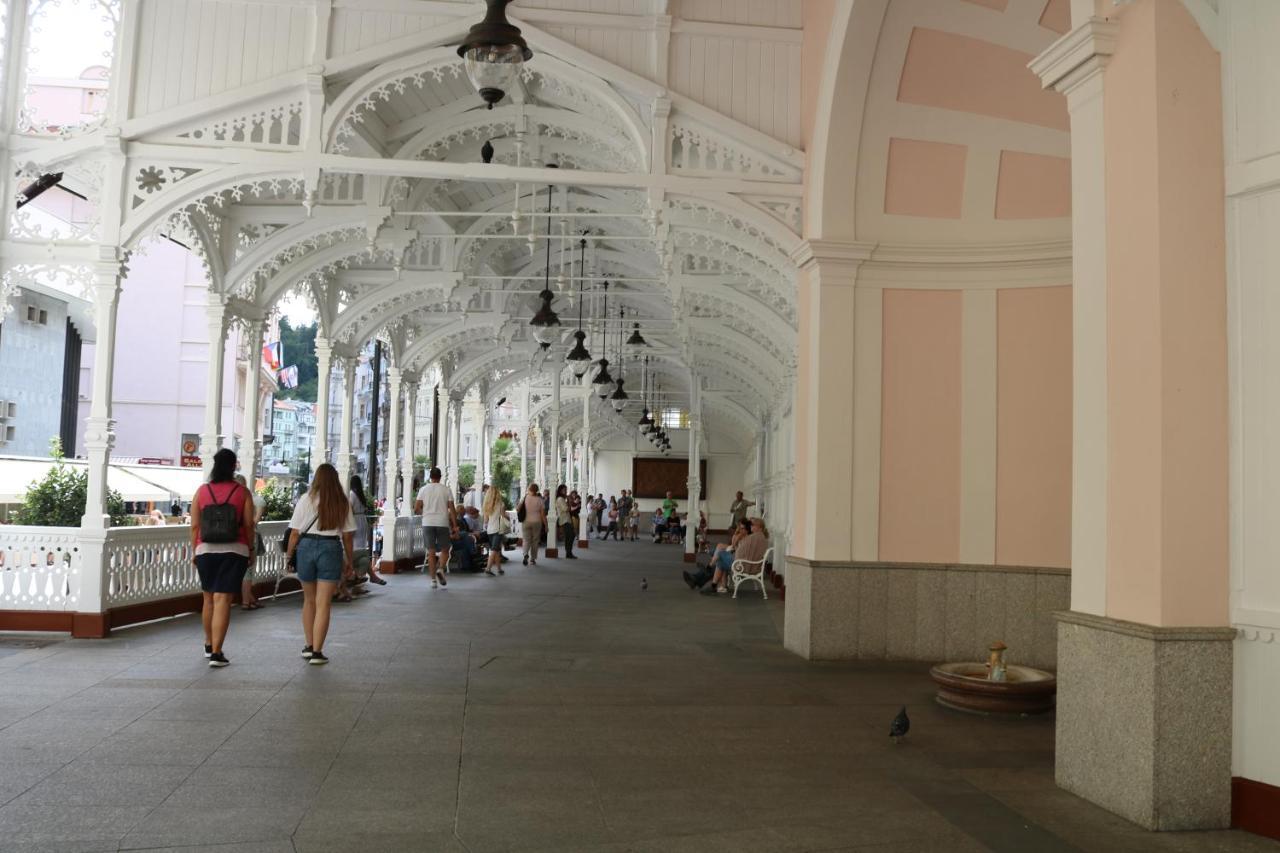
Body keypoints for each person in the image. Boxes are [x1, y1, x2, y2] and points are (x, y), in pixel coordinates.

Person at [190, 448, 256, 668]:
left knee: (208, 598)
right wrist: (251, 549)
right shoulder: (242, 492)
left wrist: (194, 550)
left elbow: (195, 526)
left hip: (205, 550)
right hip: (234, 550)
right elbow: (248, 525)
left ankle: (209, 644)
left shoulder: (202, 491)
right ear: (233, 465)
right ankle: (218, 653)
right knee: (223, 600)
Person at [284, 463, 356, 664]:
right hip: (330, 547)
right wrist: (349, 561)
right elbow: (348, 536)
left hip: (306, 547)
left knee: (309, 600)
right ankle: (317, 651)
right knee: (324, 603)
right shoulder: (342, 501)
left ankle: (308, 645)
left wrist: (289, 556)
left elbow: (295, 533)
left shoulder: (306, 499)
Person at [703, 517, 769, 595]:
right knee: (721, 558)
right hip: (749, 564)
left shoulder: (754, 538)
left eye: (753, 525)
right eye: (751, 525)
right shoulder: (759, 537)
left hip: (745, 565)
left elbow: (741, 550)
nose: (751, 526)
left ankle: (712, 576)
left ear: (760, 528)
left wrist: (736, 551)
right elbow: (743, 550)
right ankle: (715, 585)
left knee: (720, 554)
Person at [414, 467, 456, 589]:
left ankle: (433, 580)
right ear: (440, 477)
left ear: (430, 477)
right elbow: (452, 509)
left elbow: (416, 508)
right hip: (442, 522)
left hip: (427, 522)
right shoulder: (446, 490)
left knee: (431, 552)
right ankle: (441, 569)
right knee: (445, 550)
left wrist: (425, 513)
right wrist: (455, 525)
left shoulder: (423, 489)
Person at [685, 519, 749, 591]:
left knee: (718, 557)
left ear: (747, 529)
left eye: (742, 528)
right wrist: (736, 534)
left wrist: (737, 537)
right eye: (739, 527)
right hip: (734, 556)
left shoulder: (747, 538)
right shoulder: (743, 536)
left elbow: (735, 547)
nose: (740, 530)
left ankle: (699, 577)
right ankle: (699, 578)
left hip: (737, 561)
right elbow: (733, 545)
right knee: (717, 555)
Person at [233, 475, 264, 611]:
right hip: (249, 537)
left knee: (243, 572)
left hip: (235, 539)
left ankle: (248, 600)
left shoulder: (234, 498)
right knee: (248, 571)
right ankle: (248, 600)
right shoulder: (251, 498)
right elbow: (254, 521)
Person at [349, 474, 385, 586]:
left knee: (355, 548)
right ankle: (364, 576)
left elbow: (349, 508)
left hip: (354, 520)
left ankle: (358, 576)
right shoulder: (360, 495)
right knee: (361, 547)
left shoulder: (352, 494)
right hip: (362, 520)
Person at [482, 485, 507, 577]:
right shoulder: (501, 504)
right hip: (498, 529)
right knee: (494, 549)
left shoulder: (486, 504)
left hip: (490, 530)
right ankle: (488, 568)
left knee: (496, 549)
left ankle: (499, 569)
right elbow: (503, 516)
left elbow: (485, 520)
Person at [518, 484, 545, 565]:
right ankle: (532, 559)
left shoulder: (525, 498)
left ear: (529, 489)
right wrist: (546, 525)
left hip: (526, 521)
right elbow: (543, 515)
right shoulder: (540, 500)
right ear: (537, 490)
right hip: (537, 522)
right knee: (535, 541)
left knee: (526, 539)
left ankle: (525, 554)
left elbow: (517, 508)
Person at [555, 485, 576, 559]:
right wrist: (569, 502)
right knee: (570, 536)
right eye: (564, 490)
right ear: (560, 491)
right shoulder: (560, 499)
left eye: (566, 490)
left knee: (570, 536)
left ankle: (568, 552)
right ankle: (568, 552)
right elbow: (566, 509)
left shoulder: (562, 499)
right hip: (564, 520)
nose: (566, 491)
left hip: (567, 519)